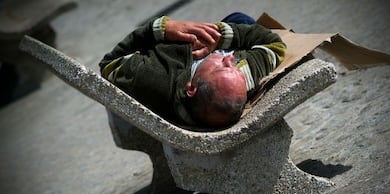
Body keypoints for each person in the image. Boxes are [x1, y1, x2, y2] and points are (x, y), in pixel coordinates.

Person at [99, 13, 286, 128]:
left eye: (223, 66)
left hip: (161, 50)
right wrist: (219, 37)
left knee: (239, 19)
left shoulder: (156, 78)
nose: (230, 59)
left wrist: (162, 29)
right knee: (239, 19)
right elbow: (275, 45)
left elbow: (109, 65)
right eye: (231, 65)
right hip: (236, 42)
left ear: (191, 87)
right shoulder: (243, 75)